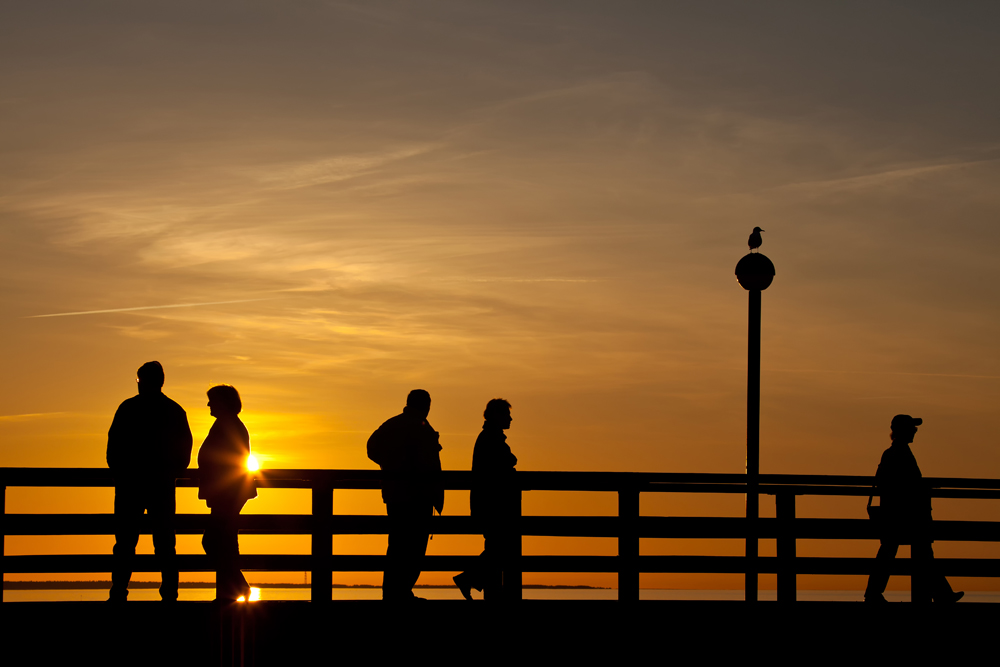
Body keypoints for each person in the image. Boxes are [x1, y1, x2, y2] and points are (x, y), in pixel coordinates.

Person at [107, 361, 193, 602]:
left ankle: (118, 593)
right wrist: (169, 473)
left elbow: (113, 448)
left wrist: (121, 473)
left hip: (129, 486)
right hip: (162, 487)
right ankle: (169, 595)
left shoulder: (128, 408)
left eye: (138, 380)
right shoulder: (175, 411)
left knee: (125, 543)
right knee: (165, 543)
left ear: (143, 381)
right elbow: (184, 452)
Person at [864, 414, 963, 603]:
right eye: (912, 428)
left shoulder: (892, 453)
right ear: (903, 431)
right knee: (916, 553)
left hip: (895, 516)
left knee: (894, 553)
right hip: (904, 517)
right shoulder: (901, 454)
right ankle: (941, 594)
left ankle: (941, 594)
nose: (915, 431)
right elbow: (908, 485)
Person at [367, 389, 444, 601]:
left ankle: (394, 592)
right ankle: (400, 592)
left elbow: (371, 448)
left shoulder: (392, 424)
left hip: (395, 494)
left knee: (398, 545)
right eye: (427, 404)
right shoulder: (421, 427)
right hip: (418, 496)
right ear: (424, 405)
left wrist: (390, 466)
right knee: (414, 547)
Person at [198, 384, 257, 602]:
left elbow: (228, 459)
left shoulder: (228, 425)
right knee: (225, 540)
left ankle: (236, 587)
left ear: (222, 402)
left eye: (212, 400)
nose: (208, 404)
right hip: (227, 491)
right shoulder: (228, 424)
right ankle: (229, 590)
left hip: (227, 492)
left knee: (216, 540)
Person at [454, 398, 517, 601]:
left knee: (497, 547)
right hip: (493, 503)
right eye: (507, 415)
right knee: (500, 547)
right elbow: (508, 460)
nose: (510, 418)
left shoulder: (489, 436)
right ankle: (472, 580)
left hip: (486, 502)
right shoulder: (492, 438)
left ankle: (481, 586)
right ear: (497, 416)